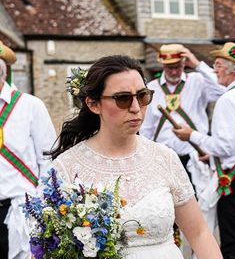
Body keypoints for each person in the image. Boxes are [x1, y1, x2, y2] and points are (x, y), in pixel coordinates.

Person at [48, 55, 222, 259]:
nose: (136, 108)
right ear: (94, 104)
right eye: (122, 98)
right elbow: (49, 247)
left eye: (142, 96)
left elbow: (200, 234)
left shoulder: (164, 158)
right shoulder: (67, 167)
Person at [174, 42, 235, 259]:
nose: (215, 69)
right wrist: (213, 156)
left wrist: (191, 135)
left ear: (231, 70)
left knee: (233, 247)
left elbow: (226, 145)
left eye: (218, 65)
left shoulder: (228, 100)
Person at [0, 41, 56, 259]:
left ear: (3, 73)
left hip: (19, 211)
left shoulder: (30, 106)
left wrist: (40, 206)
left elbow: (49, 159)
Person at [140, 44, 225, 173]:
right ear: (162, 65)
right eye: (169, 68)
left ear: (184, 63)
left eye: (177, 67)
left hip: (195, 157)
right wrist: (147, 158)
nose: (174, 72)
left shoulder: (198, 81)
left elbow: (223, 90)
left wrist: (197, 65)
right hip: (163, 160)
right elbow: (147, 128)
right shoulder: (152, 88)